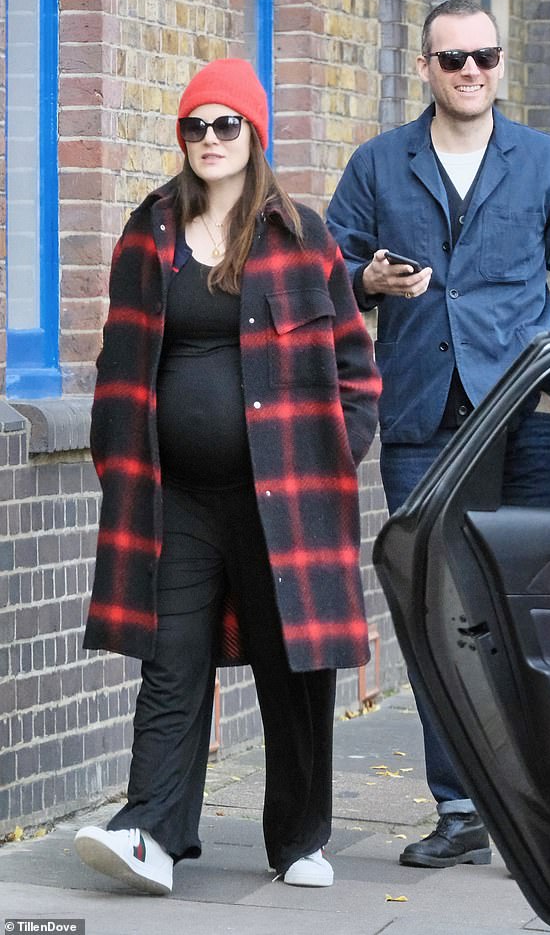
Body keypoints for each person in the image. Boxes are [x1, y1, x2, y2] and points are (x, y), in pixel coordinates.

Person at [74, 58, 381, 896]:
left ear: (253, 134)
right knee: (171, 661)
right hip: (175, 497)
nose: (209, 139)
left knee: (294, 667)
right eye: (195, 125)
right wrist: (115, 456)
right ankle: (152, 833)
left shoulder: (303, 236)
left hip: (284, 502)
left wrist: (332, 457)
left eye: (226, 124)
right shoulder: (151, 230)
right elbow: (119, 361)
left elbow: (356, 371)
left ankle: (300, 838)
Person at [327, 0, 550, 870]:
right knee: (435, 615)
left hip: (522, 422)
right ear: (425, 67)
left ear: (500, 65)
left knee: (531, 613)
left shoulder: (548, 163)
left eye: (484, 56)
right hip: (422, 421)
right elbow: (322, 271)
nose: (471, 71)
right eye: (453, 59)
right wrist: (367, 282)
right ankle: (459, 808)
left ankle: (549, 804)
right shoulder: (380, 164)